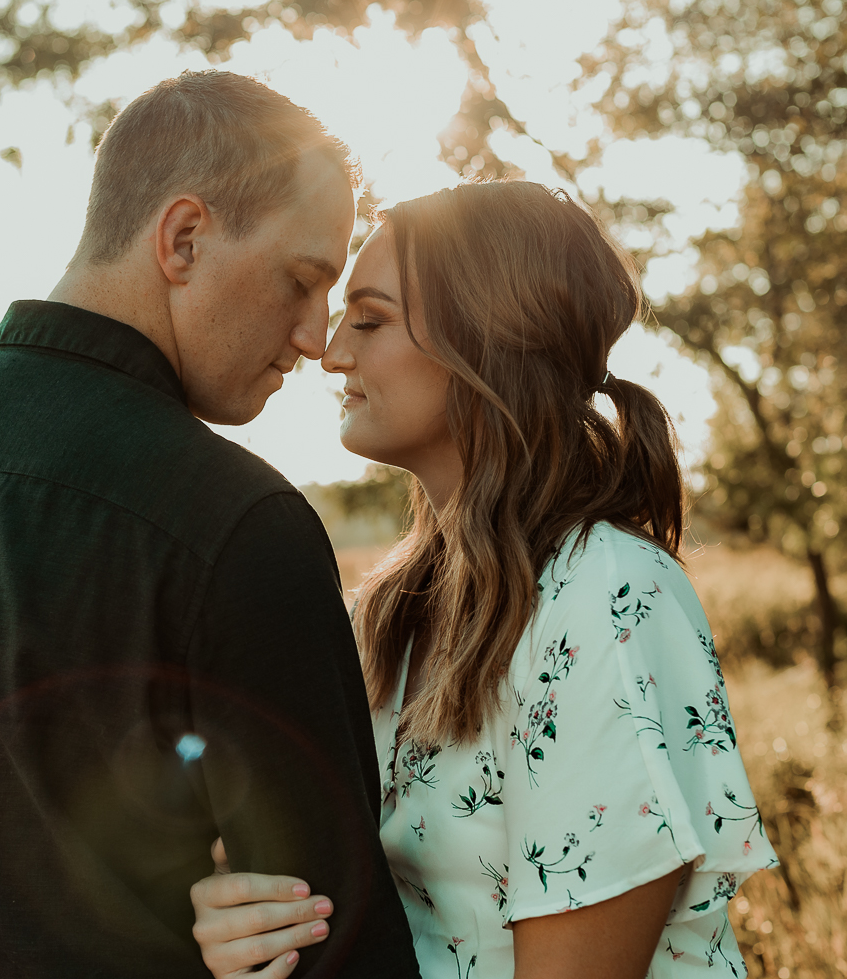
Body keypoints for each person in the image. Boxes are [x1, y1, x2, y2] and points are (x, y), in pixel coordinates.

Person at [0, 70, 419, 978]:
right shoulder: (237, 523)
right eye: (301, 282)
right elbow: (328, 939)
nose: (313, 337)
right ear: (183, 238)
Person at [189, 181, 779, 978]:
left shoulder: (602, 591)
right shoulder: (390, 609)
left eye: (369, 319)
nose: (329, 352)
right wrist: (244, 930)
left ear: (489, 339)